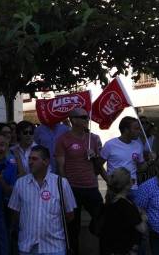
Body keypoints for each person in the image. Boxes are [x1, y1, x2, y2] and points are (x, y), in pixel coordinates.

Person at [9, 145, 76, 255]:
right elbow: (15, 213)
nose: (30, 162)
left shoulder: (61, 183)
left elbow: (70, 214)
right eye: (29, 158)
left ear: (46, 161)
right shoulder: (20, 183)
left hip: (54, 247)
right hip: (27, 247)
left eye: (34, 159)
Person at [54, 107, 104, 254]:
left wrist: (95, 156)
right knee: (72, 227)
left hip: (91, 186)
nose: (86, 120)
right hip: (72, 188)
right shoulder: (63, 139)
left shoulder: (93, 138)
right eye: (83, 117)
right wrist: (64, 187)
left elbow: (99, 166)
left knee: (101, 219)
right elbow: (60, 166)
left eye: (87, 117)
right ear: (73, 120)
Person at [100, 167, 147, 255]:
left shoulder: (110, 202)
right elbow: (142, 229)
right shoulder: (126, 206)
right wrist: (143, 216)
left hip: (110, 249)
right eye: (132, 180)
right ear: (127, 185)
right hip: (124, 249)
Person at [99, 116, 151, 190]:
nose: (139, 131)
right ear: (126, 130)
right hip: (115, 190)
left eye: (139, 129)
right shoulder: (110, 144)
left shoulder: (138, 146)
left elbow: (141, 168)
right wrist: (109, 181)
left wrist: (149, 161)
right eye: (136, 129)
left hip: (133, 189)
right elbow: (98, 165)